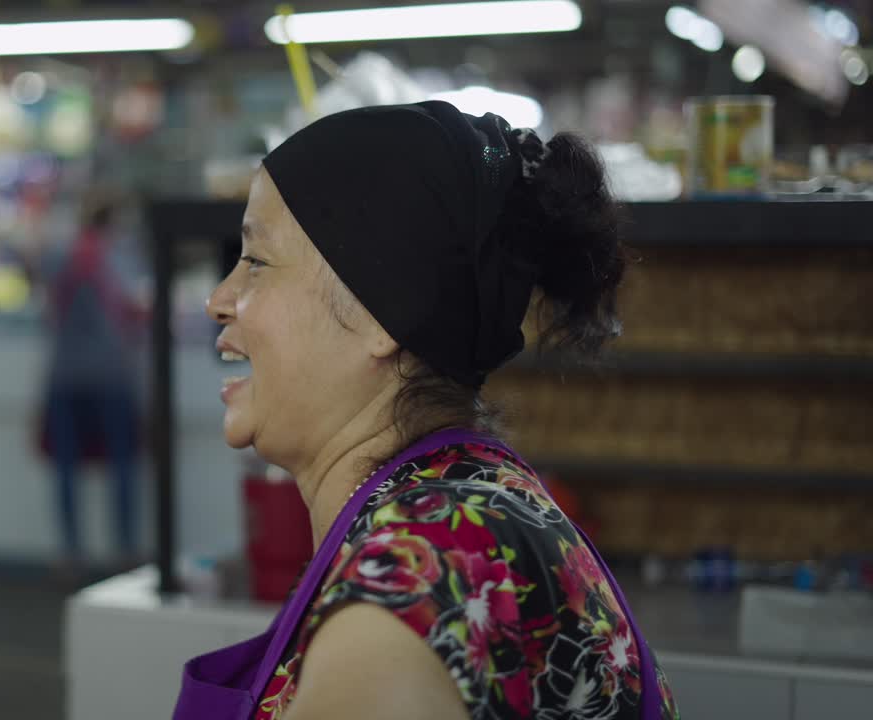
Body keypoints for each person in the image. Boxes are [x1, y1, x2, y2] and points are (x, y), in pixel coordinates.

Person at [174, 102, 679, 720]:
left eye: (255, 260)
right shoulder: (467, 511)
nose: (219, 300)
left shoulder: (411, 590)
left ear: (376, 312)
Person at [41, 196, 146, 575]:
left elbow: (46, 311)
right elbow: (135, 309)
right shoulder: (120, 258)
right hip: (111, 373)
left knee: (66, 468)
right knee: (122, 464)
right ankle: (125, 548)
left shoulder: (58, 256)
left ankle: (70, 552)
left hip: (65, 374)